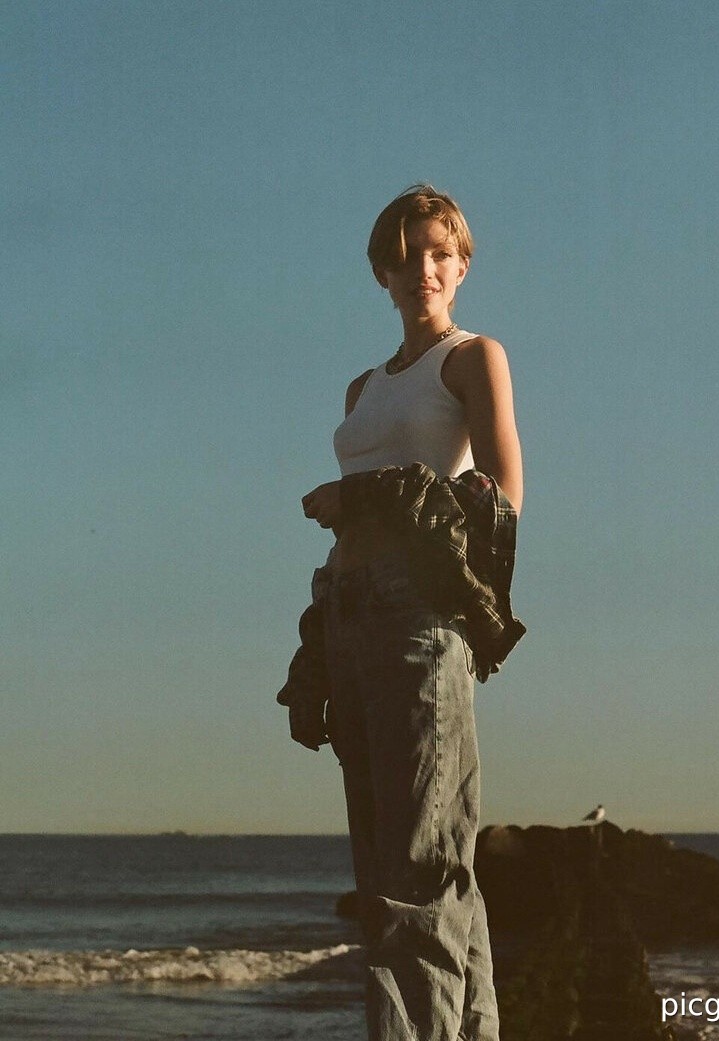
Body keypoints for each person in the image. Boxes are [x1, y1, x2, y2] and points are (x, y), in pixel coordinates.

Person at [292, 184, 523, 1041]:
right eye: (404, 256)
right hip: (347, 614)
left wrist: (377, 494)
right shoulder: (362, 387)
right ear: (381, 273)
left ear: (461, 267)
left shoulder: (471, 356)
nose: (421, 268)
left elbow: (501, 494)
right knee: (402, 868)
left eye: (438, 253)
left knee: (422, 871)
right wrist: (315, 648)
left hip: (420, 616)